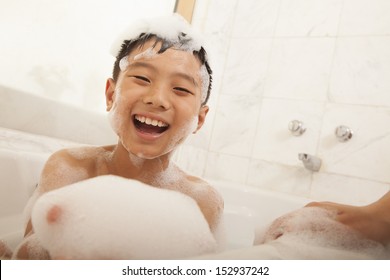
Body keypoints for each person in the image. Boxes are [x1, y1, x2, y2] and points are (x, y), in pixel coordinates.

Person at [10, 13, 224, 259]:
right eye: (142, 78)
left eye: (181, 89)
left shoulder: (201, 201)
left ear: (200, 118)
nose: (157, 99)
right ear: (111, 95)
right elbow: (27, 259)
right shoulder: (70, 168)